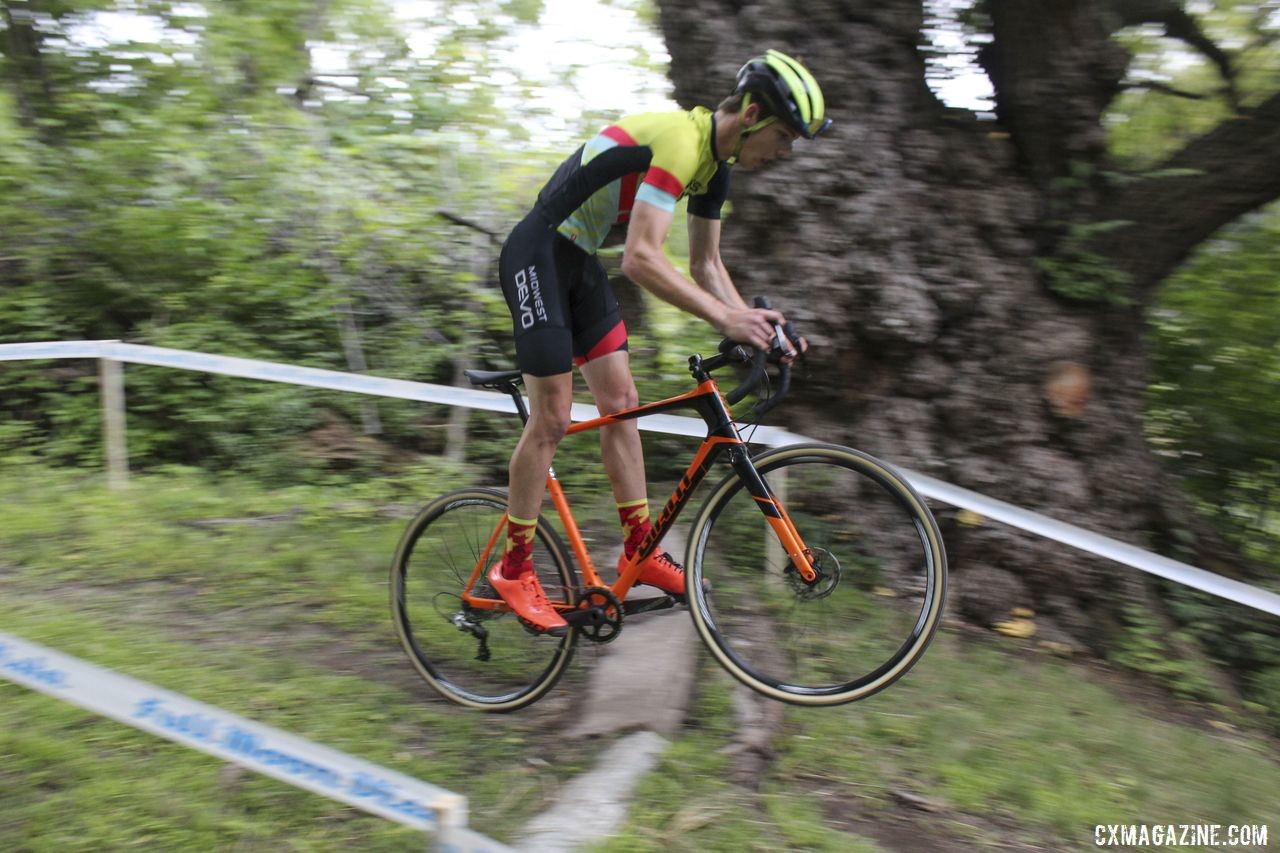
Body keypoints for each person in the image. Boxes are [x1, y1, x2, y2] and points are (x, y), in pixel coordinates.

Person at [491, 49, 830, 634]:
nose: (784, 152)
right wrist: (727, 321)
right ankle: (513, 568)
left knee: (622, 402)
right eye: (783, 135)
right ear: (750, 114)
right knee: (553, 416)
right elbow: (642, 258)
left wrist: (754, 321)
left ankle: (638, 552)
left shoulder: (713, 166)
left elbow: (706, 264)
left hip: (578, 264)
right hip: (538, 252)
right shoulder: (680, 137)